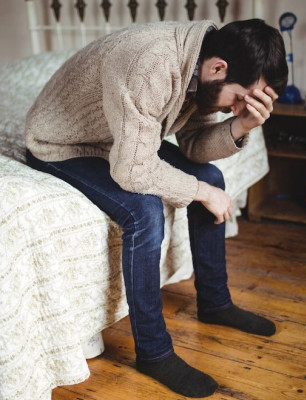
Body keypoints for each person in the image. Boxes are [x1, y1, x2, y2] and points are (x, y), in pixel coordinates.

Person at [24, 19, 287, 398]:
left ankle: (215, 302)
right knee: (144, 211)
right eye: (240, 99)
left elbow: (195, 147)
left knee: (211, 177)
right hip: (64, 143)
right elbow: (132, 171)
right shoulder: (149, 64)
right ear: (218, 69)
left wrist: (241, 124)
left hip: (118, 137)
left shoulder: (205, 68)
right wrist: (199, 192)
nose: (237, 107)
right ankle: (154, 352)